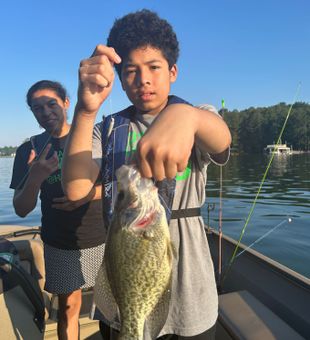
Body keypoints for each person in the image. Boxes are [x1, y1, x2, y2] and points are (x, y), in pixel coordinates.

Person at [62, 9, 231, 340]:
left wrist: (188, 117)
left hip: (189, 296)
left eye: (154, 67)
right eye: (130, 71)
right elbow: (75, 187)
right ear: (120, 79)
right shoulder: (107, 129)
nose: (144, 80)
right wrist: (86, 109)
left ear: (173, 71)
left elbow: (222, 137)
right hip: (125, 293)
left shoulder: (197, 117)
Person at [10, 80, 106, 340]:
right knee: (68, 307)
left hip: (103, 235)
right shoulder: (28, 150)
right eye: (37, 108)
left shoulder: (93, 137)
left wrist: (85, 196)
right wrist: (35, 176)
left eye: (51, 103)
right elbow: (21, 209)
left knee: (114, 304)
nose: (45, 112)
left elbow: (116, 187)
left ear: (66, 103)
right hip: (60, 241)